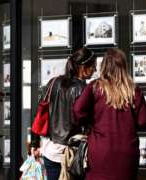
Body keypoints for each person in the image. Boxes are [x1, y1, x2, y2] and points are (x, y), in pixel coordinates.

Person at [73, 48, 146, 180]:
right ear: (124, 66)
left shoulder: (95, 87)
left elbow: (77, 111)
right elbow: (143, 121)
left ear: (104, 66)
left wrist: (91, 122)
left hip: (100, 152)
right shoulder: (133, 90)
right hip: (127, 153)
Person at [31, 47, 96, 180]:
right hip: (73, 154)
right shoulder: (84, 90)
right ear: (83, 67)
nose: (95, 70)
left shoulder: (53, 82)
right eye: (93, 66)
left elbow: (40, 113)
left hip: (50, 151)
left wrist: (34, 143)